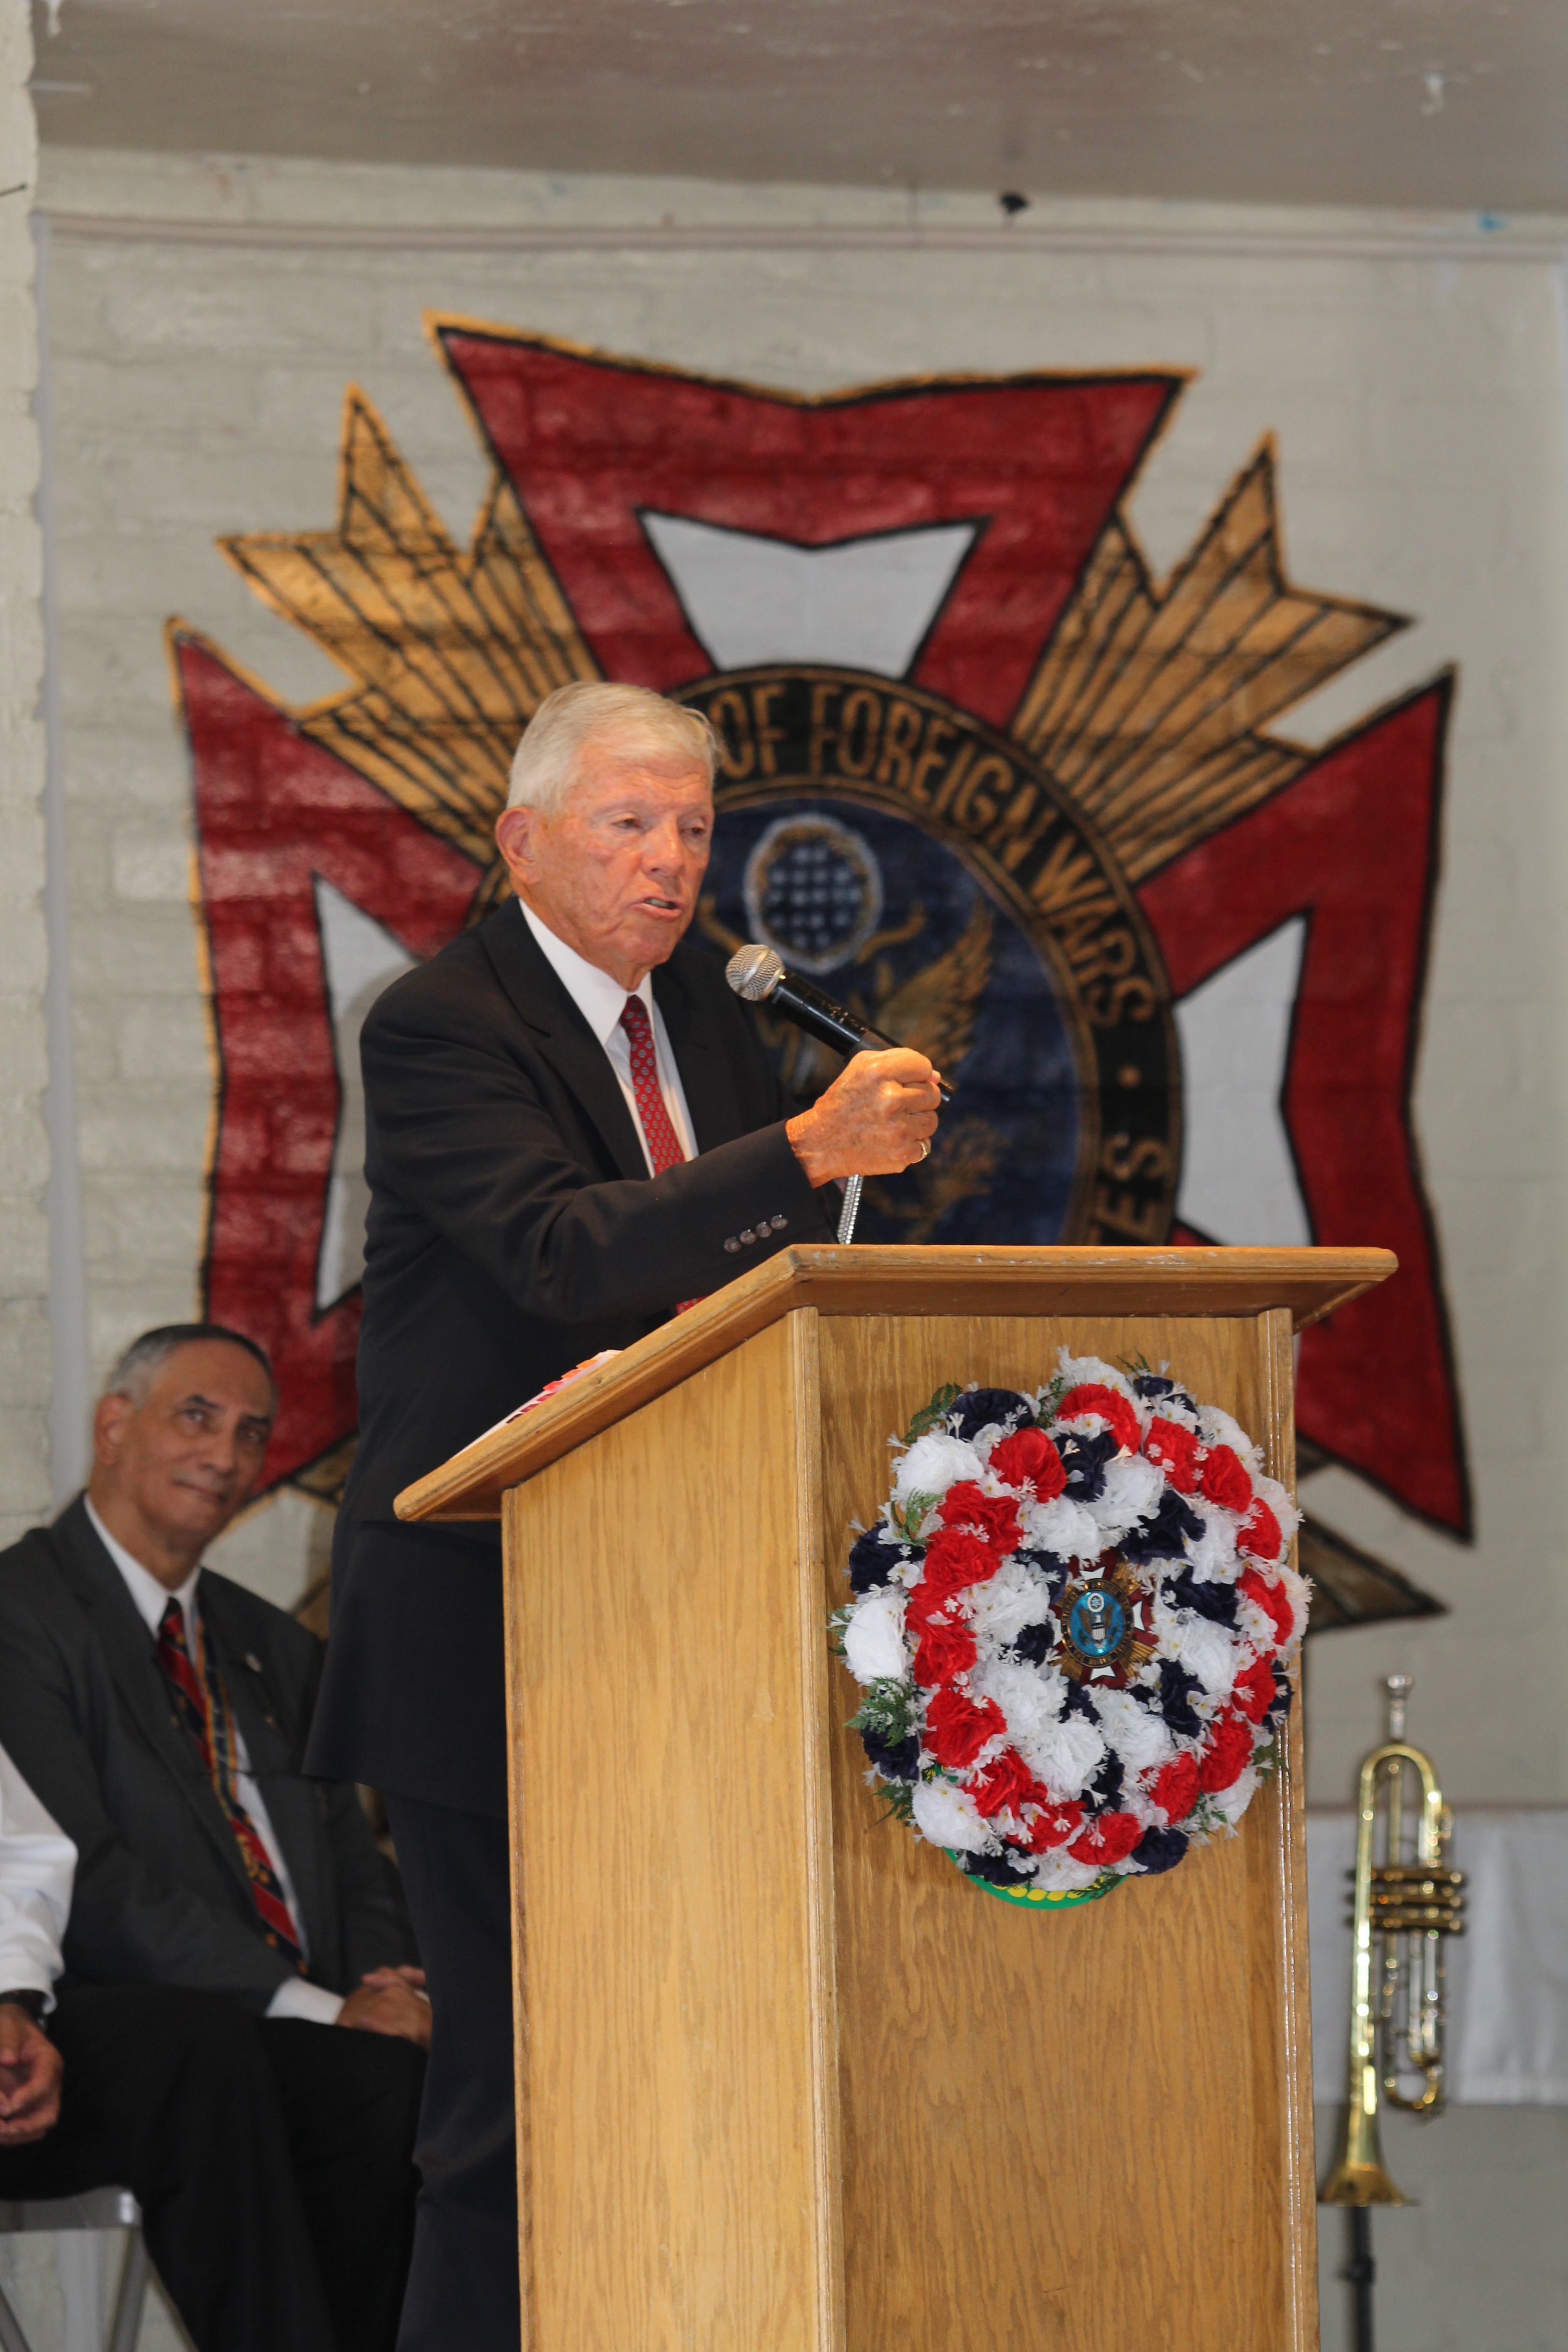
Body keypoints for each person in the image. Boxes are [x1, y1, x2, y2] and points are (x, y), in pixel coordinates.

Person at [306, 679, 941, 2350]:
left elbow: (743, 1281)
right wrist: (806, 1147)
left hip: (683, 1613)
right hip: (486, 1620)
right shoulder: (440, 1018)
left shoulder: (717, 1028)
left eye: (692, 827)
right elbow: (560, 1255)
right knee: (515, 2097)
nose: (671, 862)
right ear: (522, 840)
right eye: (628, 824)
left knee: (682, 2073)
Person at [0, 1324, 430, 2352]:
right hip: (116, 2024)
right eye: (197, 1415)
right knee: (207, 2051)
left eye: (251, 1432)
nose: (228, 1454)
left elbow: (347, 1850)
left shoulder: (270, 1640)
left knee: (396, 2087)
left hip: (273, 2026)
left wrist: (388, 1987)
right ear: (114, 1425)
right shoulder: (22, 1610)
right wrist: (326, 2007)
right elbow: (83, 1875)